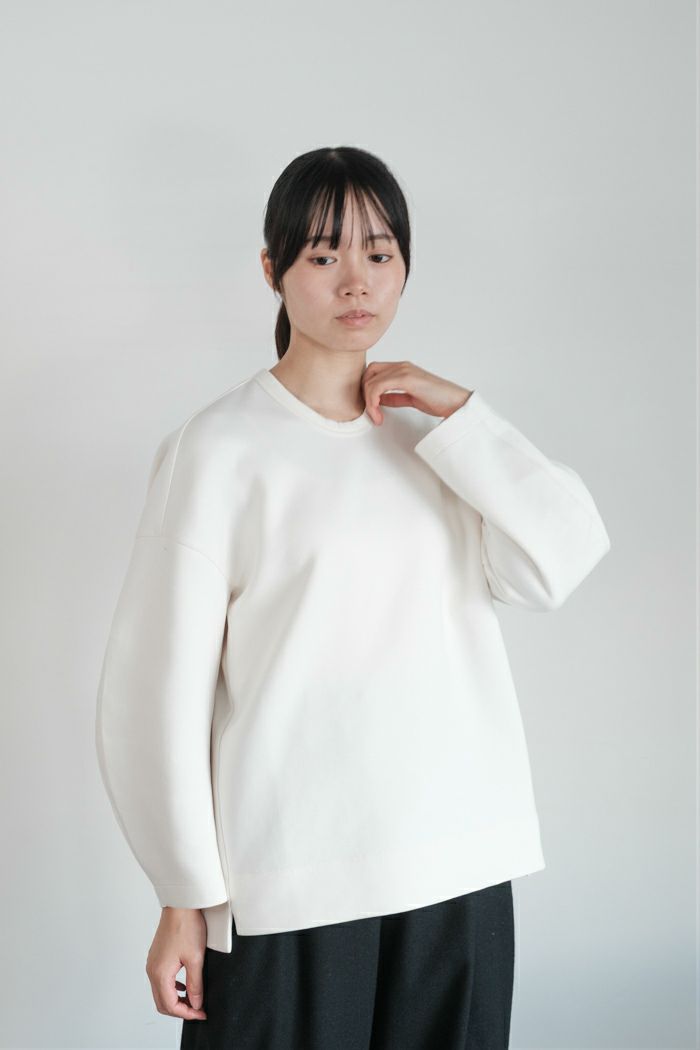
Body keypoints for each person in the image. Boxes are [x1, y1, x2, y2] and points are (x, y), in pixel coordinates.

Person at [95, 145, 611, 1049]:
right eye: (323, 254)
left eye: (379, 253)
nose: (355, 281)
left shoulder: (436, 442)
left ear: (406, 265)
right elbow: (153, 693)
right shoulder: (216, 452)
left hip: (458, 865)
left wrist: (465, 414)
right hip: (291, 881)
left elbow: (562, 556)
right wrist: (182, 893)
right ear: (273, 270)